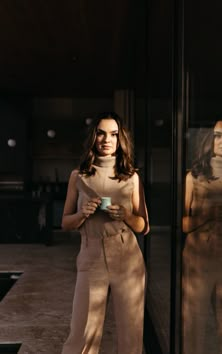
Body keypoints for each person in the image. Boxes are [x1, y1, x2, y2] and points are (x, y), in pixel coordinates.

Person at [61, 112, 149, 354]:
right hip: (91, 255)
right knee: (82, 336)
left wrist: (126, 216)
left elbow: (143, 226)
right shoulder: (78, 176)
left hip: (127, 256)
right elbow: (65, 223)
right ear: (94, 136)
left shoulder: (131, 177)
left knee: (131, 337)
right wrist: (82, 215)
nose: (106, 139)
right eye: (101, 133)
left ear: (120, 139)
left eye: (113, 134)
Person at [182, 120, 222, 354]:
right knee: (194, 319)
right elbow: (183, 224)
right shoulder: (193, 176)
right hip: (199, 256)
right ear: (209, 141)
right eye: (218, 136)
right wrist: (210, 213)